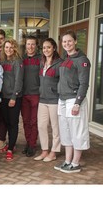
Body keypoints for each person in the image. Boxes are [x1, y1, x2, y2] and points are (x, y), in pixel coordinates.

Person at [54, 30, 91, 173]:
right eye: (64, 42)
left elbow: (84, 84)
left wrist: (77, 103)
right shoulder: (65, 59)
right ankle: (67, 161)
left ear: (75, 41)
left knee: (77, 132)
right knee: (66, 132)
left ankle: (75, 163)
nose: (67, 44)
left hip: (74, 99)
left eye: (69, 41)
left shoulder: (82, 60)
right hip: (62, 99)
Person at [34, 38, 63, 162]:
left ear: (54, 48)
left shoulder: (60, 63)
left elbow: (63, 81)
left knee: (55, 128)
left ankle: (54, 152)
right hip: (43, 99)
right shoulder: (42, 62)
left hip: (54, 99)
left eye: (48, 47)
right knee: (41, 125)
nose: (46, 50)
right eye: (44, 47)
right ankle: (44, 150)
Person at [0, 39, 24, 161]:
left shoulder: (17, 61)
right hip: (3, 97)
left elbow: (19, 81)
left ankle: (10, 149)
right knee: (7, 122)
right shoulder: (3, 61)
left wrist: (14, 97)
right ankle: (11, 144)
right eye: (6, 47)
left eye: (11, 47)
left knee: (13, 123)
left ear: (15, 49)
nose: (8, 49)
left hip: (13, 97)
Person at [21, 35, 41, 157]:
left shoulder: (41, 59)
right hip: (24, 94)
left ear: (36, 46)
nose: (30, 46)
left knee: (34, 121)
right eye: (28, 44)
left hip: (36, 94)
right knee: (25, 121)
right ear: (25, 45)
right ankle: (28, 142)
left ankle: (32, 145)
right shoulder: (21, 59)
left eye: (33, 44)